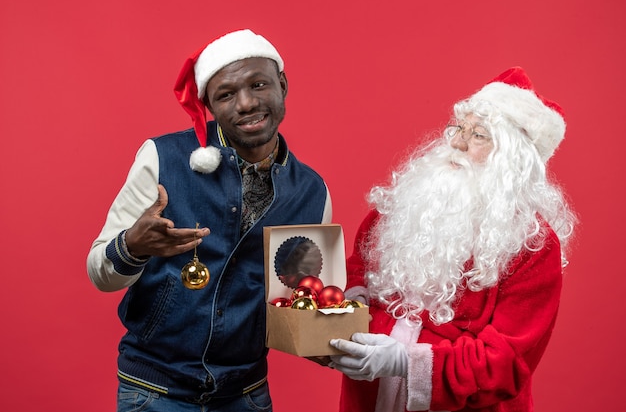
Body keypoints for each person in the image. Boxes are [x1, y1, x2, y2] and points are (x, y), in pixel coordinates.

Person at [87, 29, 332, 411]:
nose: (247, 103)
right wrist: (132, 247)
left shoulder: (312, 192)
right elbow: (100, 273)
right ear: (209, 105)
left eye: (259, 84)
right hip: (153, 390)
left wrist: (335, 333)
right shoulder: (161, 158)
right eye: (227, 94)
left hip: (246, 393)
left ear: (282, 84)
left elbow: (300, 305)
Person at [327, 67, 577, 412]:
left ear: (513, 160)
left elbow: (506, 362)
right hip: (369, 398)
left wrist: (405, 361)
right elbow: (358, 274)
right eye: (459, 128)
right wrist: (342, 316)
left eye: (478, 135)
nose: (456, 143)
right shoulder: (405, 205)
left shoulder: (533, 245)